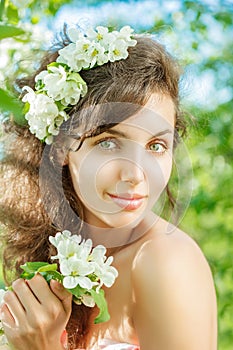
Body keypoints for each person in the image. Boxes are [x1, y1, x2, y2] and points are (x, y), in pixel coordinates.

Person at [0, 24, 217, 350]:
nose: (136, 174)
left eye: (157, 145)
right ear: (61, 148)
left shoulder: (165, 261)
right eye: (110, 143)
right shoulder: (50, 253)